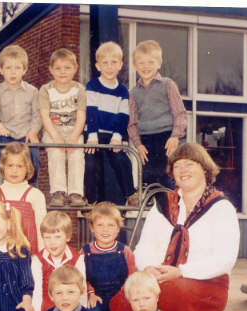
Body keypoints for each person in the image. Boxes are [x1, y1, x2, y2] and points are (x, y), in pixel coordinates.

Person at [110, 143, 239, 311]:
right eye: (177, 166)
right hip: (161, 274)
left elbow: (225, 259)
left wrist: (180, 272)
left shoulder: (221, 208)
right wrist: (149, 269)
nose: (183, 170)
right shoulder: (162, 206)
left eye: (190, 164)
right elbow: (144, 245)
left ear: (205, 169)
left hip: (205, 281)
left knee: (178, 292)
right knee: (127, 295)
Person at [128, 40, 187, 189]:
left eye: (150, 62)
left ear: (159, 63)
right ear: (135, 66)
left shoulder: (168, 84)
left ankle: (173, 209)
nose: (145, 66)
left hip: (166, 138)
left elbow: (180, 113)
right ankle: (152, 210)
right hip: (146, 141)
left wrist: (175, 136)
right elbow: (132, 122)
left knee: (166, 178)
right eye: (141, 63)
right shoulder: (134, 92)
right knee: (148, 181)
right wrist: (138, 144)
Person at [84, 41, 137, 206]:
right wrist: (92, 136)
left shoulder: (122, 91)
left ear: (120, 65)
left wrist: (117, 137)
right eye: (105, 63)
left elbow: (123, 116)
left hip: (112, 134)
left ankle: (130, 194)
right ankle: (90, 200)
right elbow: (90, 111)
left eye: (114, 62)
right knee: (91, 163)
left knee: (121, 159)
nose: (109, 67)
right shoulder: (93, 85)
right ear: (98, 66)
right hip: (94, 132)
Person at [0, 44, 41, 188]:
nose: (13, 72)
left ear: (24, 70)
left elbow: (37, 115)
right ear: (1, 70)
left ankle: (32, 186)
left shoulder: (33, 91)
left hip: (26, 135)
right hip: (6, 134)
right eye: (8, 68)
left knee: (34, 156)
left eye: (17, 68)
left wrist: (33, 130)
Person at [81, 202, 136, 311]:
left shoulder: (124, 251)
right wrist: (90, 293)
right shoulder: (85, 252)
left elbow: (132, 276)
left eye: (111, 225)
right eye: (100, 225)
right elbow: (81, 277)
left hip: (119, 294)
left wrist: (123, 295)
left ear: (118, 229)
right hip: (96, 296)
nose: (105, 230)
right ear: (92, 228)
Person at [39, 48, 87, 207]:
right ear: (51, 70)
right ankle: (58, 192)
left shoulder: (79, 89)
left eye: (67, 68)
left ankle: (75, 193)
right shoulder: (46, 89)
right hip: (53, 130)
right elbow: (44, 116)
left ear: (75, 68)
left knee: (77, 156)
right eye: (58, 68)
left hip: (74, 129)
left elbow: (81, 115)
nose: (63, 72)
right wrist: (55, 136)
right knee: (56, 154)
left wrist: (75, 136)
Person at [30, 211, 87, 311]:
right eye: (47, 237)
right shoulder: (38, 260)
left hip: (70, 305)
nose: (52, 242)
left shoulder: (77, 259)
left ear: (67, 237)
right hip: (47, 307)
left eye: (57, 237)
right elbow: (37, 292)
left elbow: (82, 290)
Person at [0, 142, 47, 254]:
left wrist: (42, 257)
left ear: (27, 168)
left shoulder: (36, 195)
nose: (14, 170)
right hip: (0, 255)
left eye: (19, 166)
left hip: (28, 256)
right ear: (3, 167)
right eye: (10, 165)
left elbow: (41, 229)